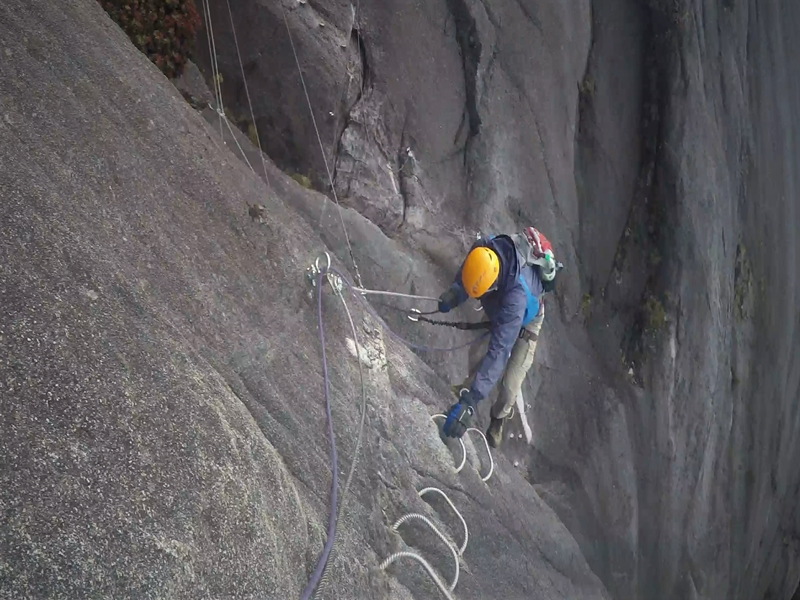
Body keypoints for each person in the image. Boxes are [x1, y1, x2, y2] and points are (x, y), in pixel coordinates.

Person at [439, 227, 560, 448]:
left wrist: (471, 402)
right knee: (477, 353)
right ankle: (467, 387)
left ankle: (499, 417)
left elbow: (499, 351)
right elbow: (470, 271)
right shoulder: (484, 248)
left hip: (528, 320)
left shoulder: (515, 301)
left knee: (510, 385)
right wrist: (456, 291)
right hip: (499, 300)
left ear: (493, 285)